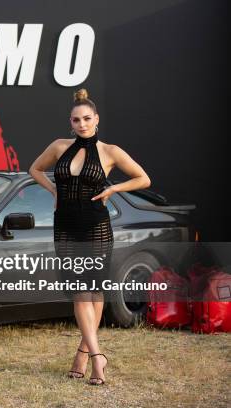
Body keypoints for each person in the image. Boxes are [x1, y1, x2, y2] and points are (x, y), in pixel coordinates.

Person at [28, 89, 150, 385]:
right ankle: (94, 355)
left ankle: (89, 357)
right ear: (70, 122)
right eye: (76, 120)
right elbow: (34, 169)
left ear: (96, 119)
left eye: (86, 119)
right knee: (82, 292)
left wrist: (112, 189)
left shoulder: (111, 151)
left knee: (92, 292)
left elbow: (143, 178)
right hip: (66, 225)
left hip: (96, 226)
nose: (81, 124)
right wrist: (55, 189)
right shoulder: (58, 146)